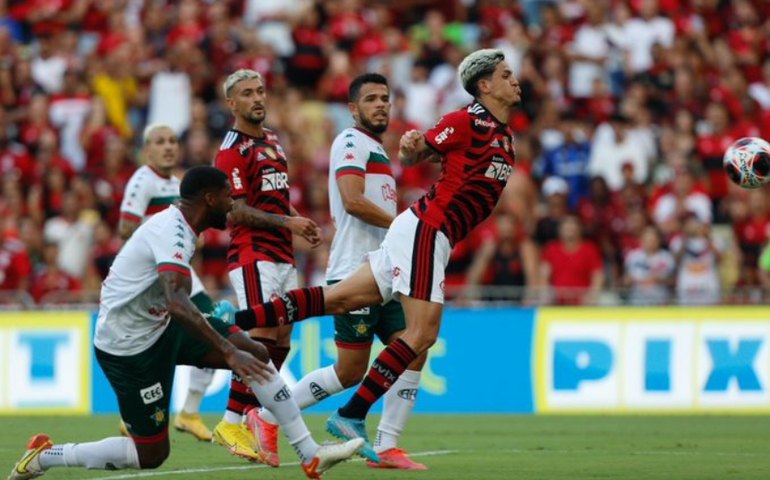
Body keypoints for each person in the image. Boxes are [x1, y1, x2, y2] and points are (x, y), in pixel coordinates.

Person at [231, 48, 521, 460]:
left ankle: (234, 321)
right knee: (418, 335)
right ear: (485, 85)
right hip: (423, 232)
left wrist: (408, 155)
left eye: (385, 98)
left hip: (411, 240)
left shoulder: (504, 138)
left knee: (368, 323)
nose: (515, 80)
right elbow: (408, 159)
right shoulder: (462, 121)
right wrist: (413, 147)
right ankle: (350, 416)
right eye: (506, 75)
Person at [7, 166, 362, 480]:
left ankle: (310, 453)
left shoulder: (185, 228)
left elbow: (175, 301)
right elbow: (176, 300)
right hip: (129, 349)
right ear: (209, 199)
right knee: (151, 455)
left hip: (161, 325)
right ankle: (46, 456)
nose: (232, 204)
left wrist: (230, 343)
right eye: (228, 197)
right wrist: (227, 351)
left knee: (255, 351)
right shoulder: (171, 231)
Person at [249, 73, 428, 470]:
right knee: (350, 372)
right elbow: (352, 201)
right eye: (371, 99)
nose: (381, 105)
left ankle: (386, 446)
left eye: (385, 98)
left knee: (414, 349)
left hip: (385, 271)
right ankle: (264, 416)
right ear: (353, 108)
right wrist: (405, 225)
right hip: (354, 271)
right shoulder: (350, 141)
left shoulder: (377, 148)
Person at [212, 69, 322, 462]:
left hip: (282, 252)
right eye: (247, 93)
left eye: (260, 91)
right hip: (253, 253)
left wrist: (295, 219)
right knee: (259, 336)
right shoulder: (232, 150)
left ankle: (254, 413)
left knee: (282, 339)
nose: (257, 98)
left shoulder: (272, 140)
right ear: (232, 103)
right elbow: (237, 211)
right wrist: (287, 223)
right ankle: (230, 421)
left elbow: (273, 197)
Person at [117, 123, 231, 442]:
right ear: (146, 150)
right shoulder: (142, 180)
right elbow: (125, 228)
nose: (168, 147)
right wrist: (162, 240)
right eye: (159, 142)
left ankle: (189, 411)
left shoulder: (176, 183)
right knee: (168, 338)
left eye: (172, 141)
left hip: (179, 269)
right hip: (158, 274)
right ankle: (143, 414)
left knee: (217, 321)